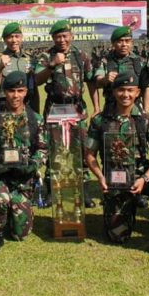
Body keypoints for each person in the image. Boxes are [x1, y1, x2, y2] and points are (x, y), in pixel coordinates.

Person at [85, 75, 149, 262]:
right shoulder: (100, 121)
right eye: (121, 90)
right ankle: (129, 204)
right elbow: (89, 155)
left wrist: (144, 178)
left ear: (137, 93)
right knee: (118, 237)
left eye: (130, 90)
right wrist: (100, 177)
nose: (125, 94)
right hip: (114, 180)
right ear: (113, 92)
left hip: (141, 177)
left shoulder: (145, 119)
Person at [0, 71, 48, 255]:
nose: (15, 96)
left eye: (20, 91)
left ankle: (9, 212)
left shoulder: (35, 119)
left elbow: (43, 149)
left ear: (26, 92)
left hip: (23, 179)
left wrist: (33, 164)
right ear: (4, 92)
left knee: (19, 233)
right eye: (11, 91)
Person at [34, 19, 97, 208]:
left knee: (82, 148)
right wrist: (52, 65)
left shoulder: (81, 55)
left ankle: (84, 190)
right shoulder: (46, 56)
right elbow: (37, 79)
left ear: (71, 36)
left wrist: (97, 106)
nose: (61, 40)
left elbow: (92, 80)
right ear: (53, 38)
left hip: (77, 108)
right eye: (58, 36)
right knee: (55, 148)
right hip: (55, 107)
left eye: (65, 36)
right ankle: (52, 189)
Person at [95, 25, 149, 208]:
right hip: (111, 110)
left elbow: (146, 86)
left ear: (131, 42)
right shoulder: (105, 60)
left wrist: (146, 110)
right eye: (119, 41)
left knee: (138, 146)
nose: (123, 44)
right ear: (113, 44)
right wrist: (106, 80)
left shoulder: (138, 61)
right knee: (111, 148)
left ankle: (139, 189)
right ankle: (111, 186)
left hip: (134, 111)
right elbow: (96, 81)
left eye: (127, 41)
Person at [0, 23, 38, 113]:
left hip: (27, 104)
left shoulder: (31, 59)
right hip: (5, 105)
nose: (14, 40)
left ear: (21, 38)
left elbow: (35, 86)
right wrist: (0, 68)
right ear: (4, 39)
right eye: (10, 37)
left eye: (17, 36)